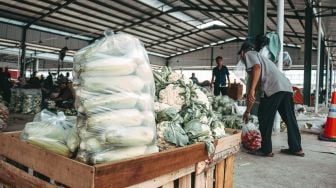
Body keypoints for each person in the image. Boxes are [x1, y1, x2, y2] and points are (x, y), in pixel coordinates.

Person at [238, 41, 304, 157]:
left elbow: (256, 68)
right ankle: (296, 148)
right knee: (290, 119)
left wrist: (252, 89)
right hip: (286, 87)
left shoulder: (250, 54)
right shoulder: (263, 61)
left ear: (242, 53)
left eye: (241, 56)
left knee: (264, 118)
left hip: (274, 88)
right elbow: (255, 91)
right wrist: (248, 111)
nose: (242, 59)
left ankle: (266, 149)